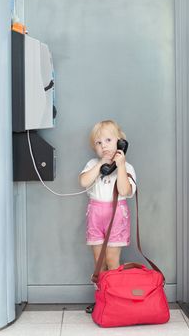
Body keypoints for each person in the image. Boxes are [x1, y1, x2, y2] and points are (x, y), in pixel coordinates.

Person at [79, 120, 136, 313]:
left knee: (112, 261)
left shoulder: (127, 168)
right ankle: (102, 299)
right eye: (98, 142)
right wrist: (102, 164)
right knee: (99, 262)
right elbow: (84, 181)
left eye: (108, 140)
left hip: (116, 216)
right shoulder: (93, 164)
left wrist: (119, 165)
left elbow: (124, 190)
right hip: (96, 216)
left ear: (120, 142)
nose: (104, 145)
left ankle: (115, 300)